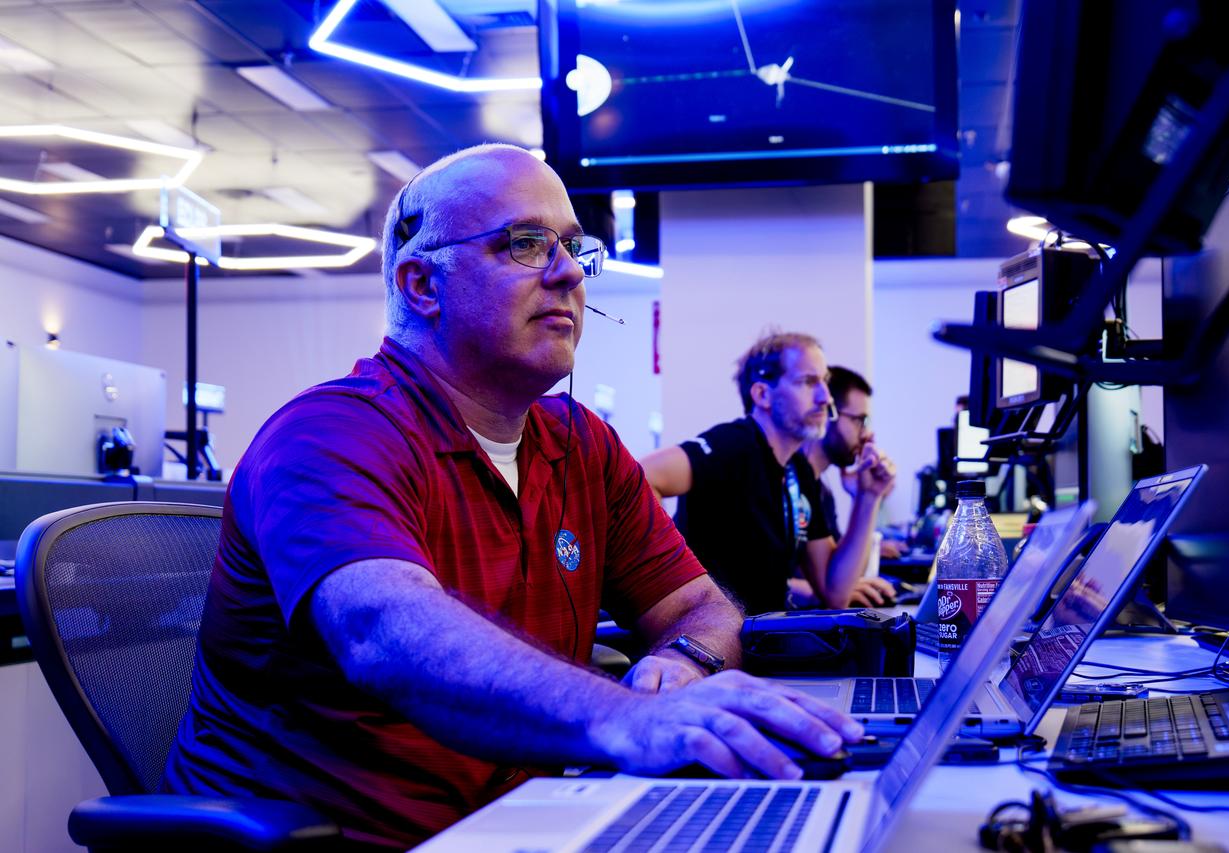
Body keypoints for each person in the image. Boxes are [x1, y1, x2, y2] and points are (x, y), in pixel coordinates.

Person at [162, 145, 862, 850]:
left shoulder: (581, 444)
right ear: (421, 286)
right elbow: (384, 631)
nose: (566, 273)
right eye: (526, 244)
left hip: (525, 823)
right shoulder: (330, 435)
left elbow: (700, 609)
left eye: (573, 248)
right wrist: (623, 719)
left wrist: (685, 665)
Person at [641, 334, 896, 616]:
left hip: (761, 639)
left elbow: (835, 591)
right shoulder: (735, 445)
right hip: (714, 639)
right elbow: (644, 475)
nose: (825, 397)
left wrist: (868, 496)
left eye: (823, 381)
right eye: (808, 382)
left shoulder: (798, 471)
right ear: (763, 394)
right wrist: (671, 587)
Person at [790, 366, 900, 607]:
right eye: (860, 420)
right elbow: (746, 576)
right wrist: (810, 591)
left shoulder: (820, 491)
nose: (867, 434)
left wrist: (867, 495)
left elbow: (845, 576)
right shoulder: (785, 481)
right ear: (827, 414)